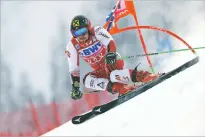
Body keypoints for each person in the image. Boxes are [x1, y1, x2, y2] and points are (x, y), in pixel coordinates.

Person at [65, 15, 160, 100]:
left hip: (112, 61)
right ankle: (123, 89)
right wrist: (75, 87)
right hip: (99, 70)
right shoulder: (72, 45)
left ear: (88, 29)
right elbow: (74, 69)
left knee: (113, 75)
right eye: (76, 33)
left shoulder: (97, 31)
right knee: (87, 80)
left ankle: (146, 76)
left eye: (83, 31)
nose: (80, 36)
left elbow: (110, 42)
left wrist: (110, 53)